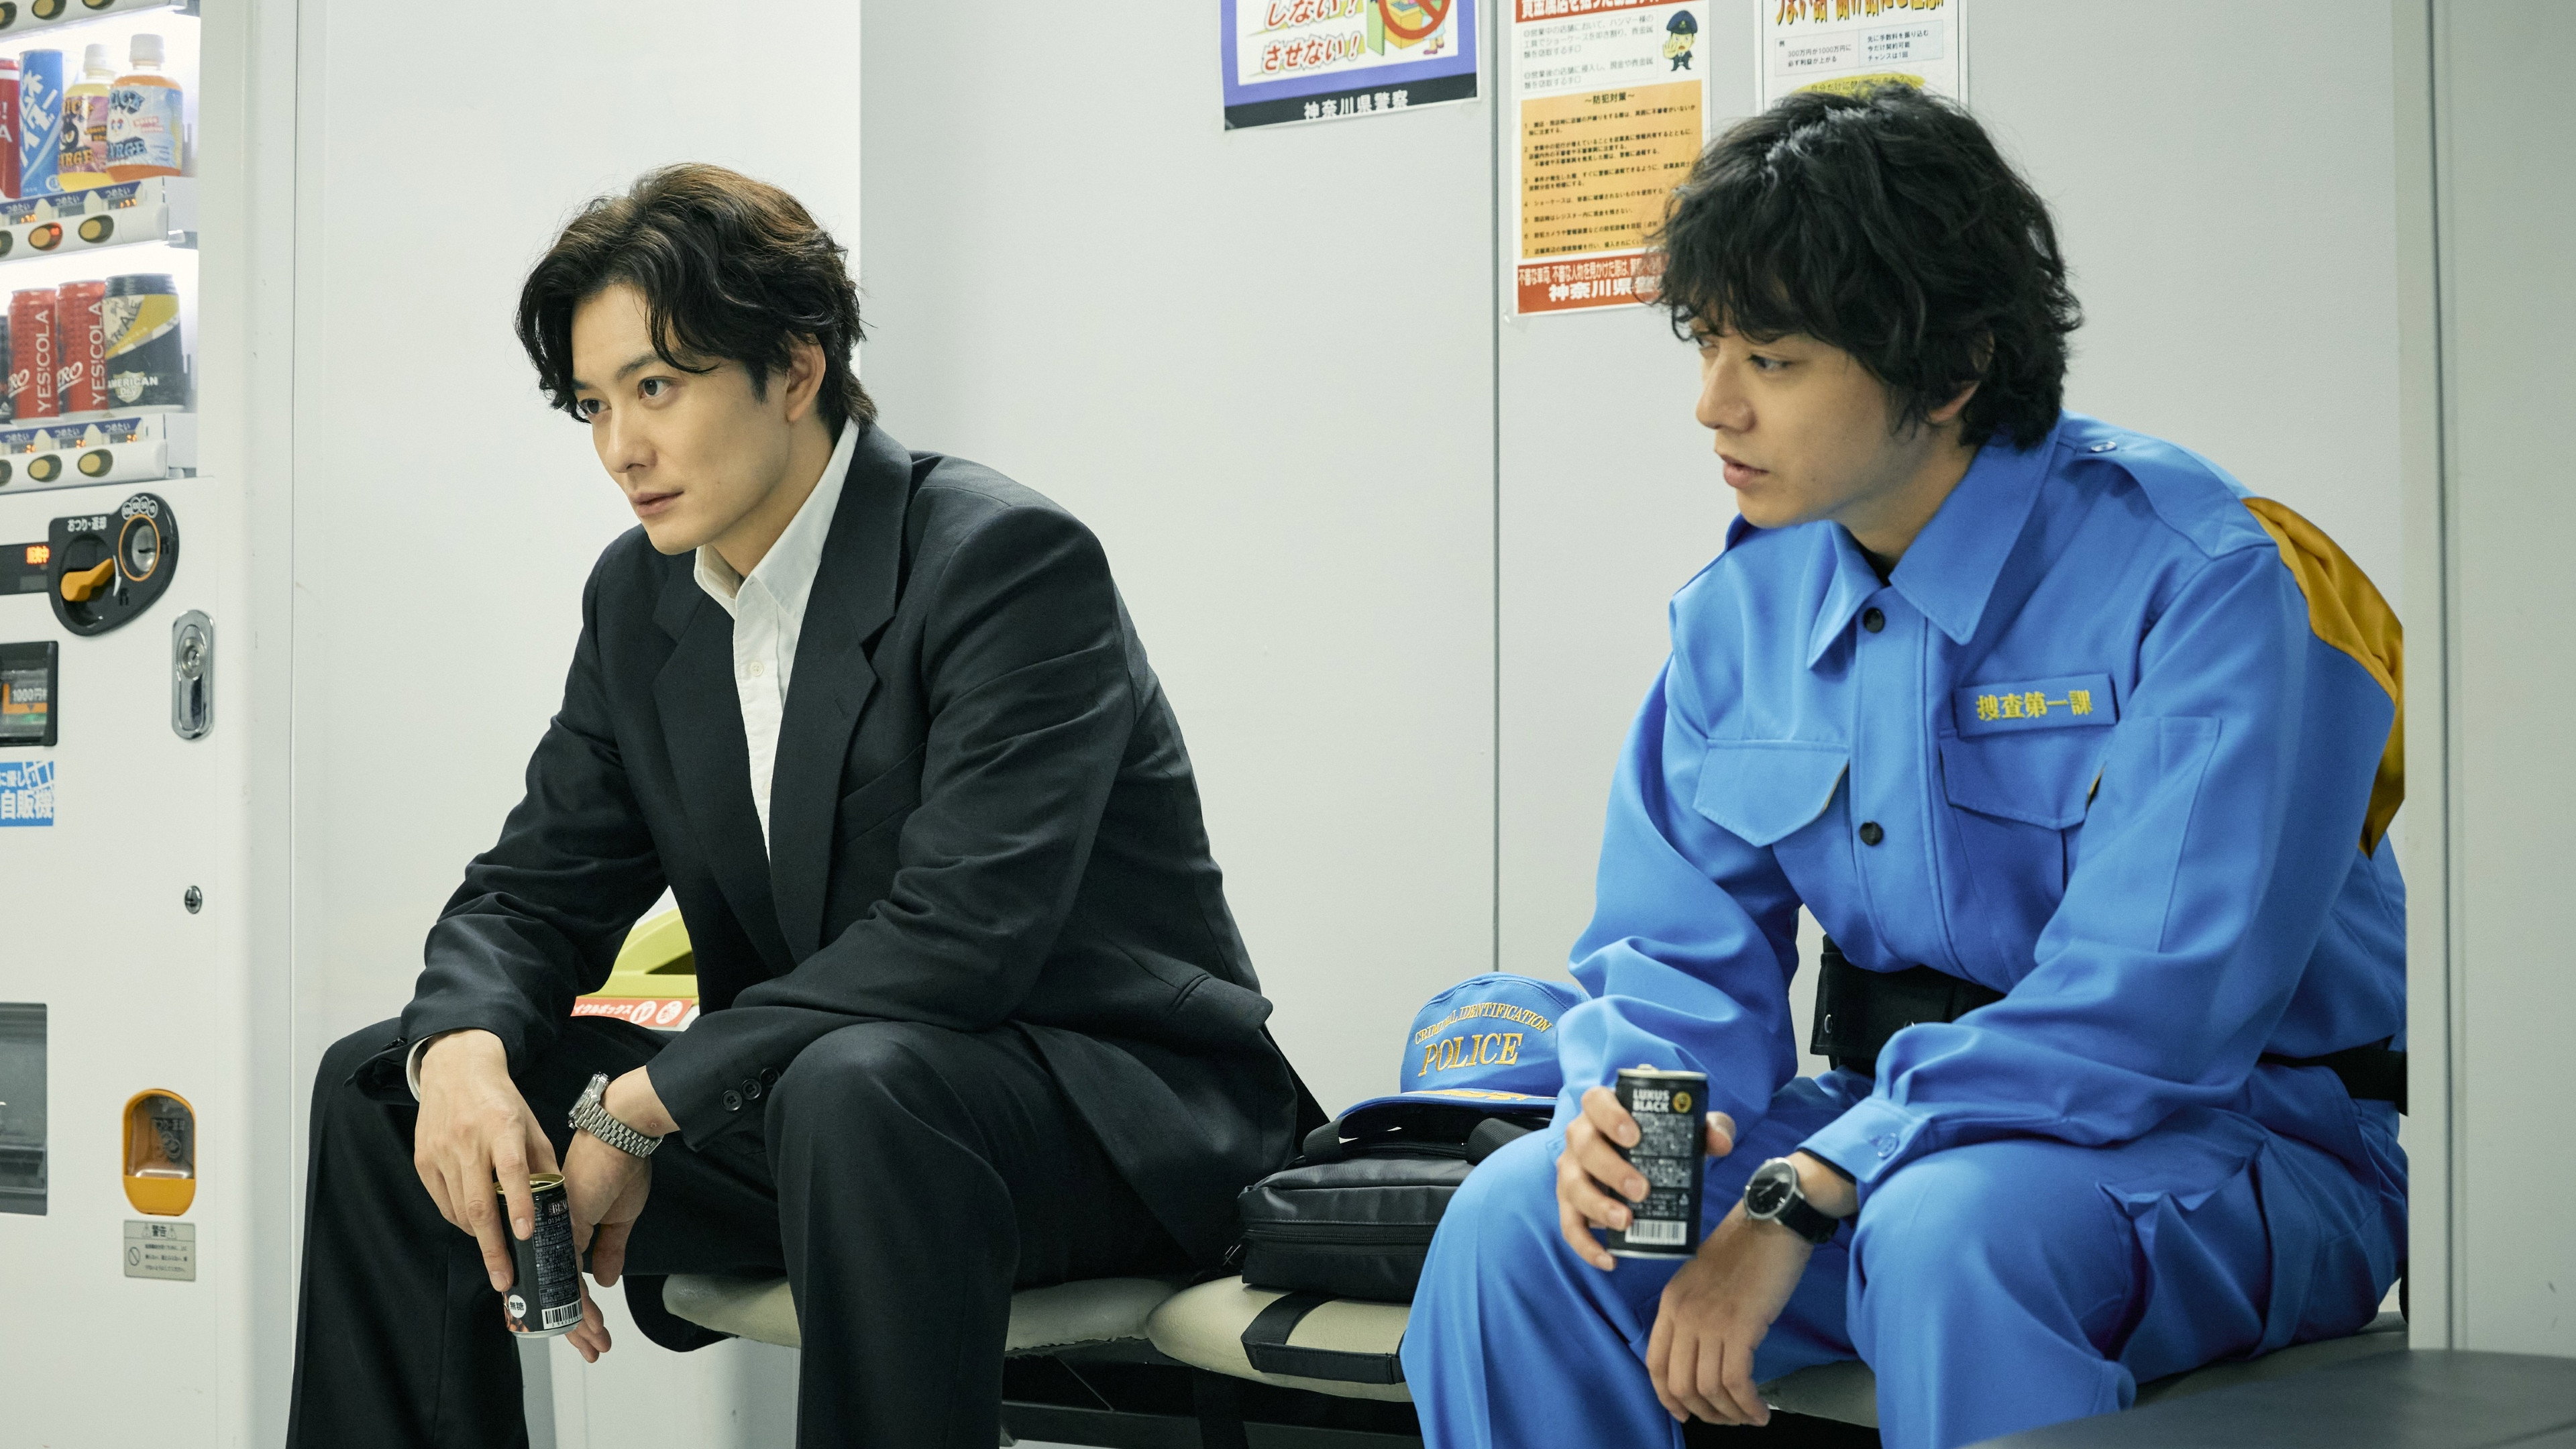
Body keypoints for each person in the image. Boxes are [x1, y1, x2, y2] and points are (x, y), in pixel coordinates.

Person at [1403, 86, 2406, 1449]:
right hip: (1881, 1132)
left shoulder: (2215, 581)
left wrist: (1808, 1186)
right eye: (1708, 345)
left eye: (1773, 359)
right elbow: (1678, 961)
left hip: (2236, 1138)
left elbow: (2151, 1013)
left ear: (1950, 369)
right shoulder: (1742, 612)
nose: (1712, 405)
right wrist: (1634, 1134)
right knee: (1523, 1225)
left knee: (1948, 1234)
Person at [284, 164, 1302, 1449]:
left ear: (797, 368)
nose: (620, 448)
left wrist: (637, 1106)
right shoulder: (640, 598)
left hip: (1096, 1117)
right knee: (384, 1090)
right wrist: (465, 1054)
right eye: (594, 405)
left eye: (658, 387)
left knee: (856, 1085)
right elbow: (534, 890)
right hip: (822, 1101)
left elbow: (960, 938)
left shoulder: (1001, 561)